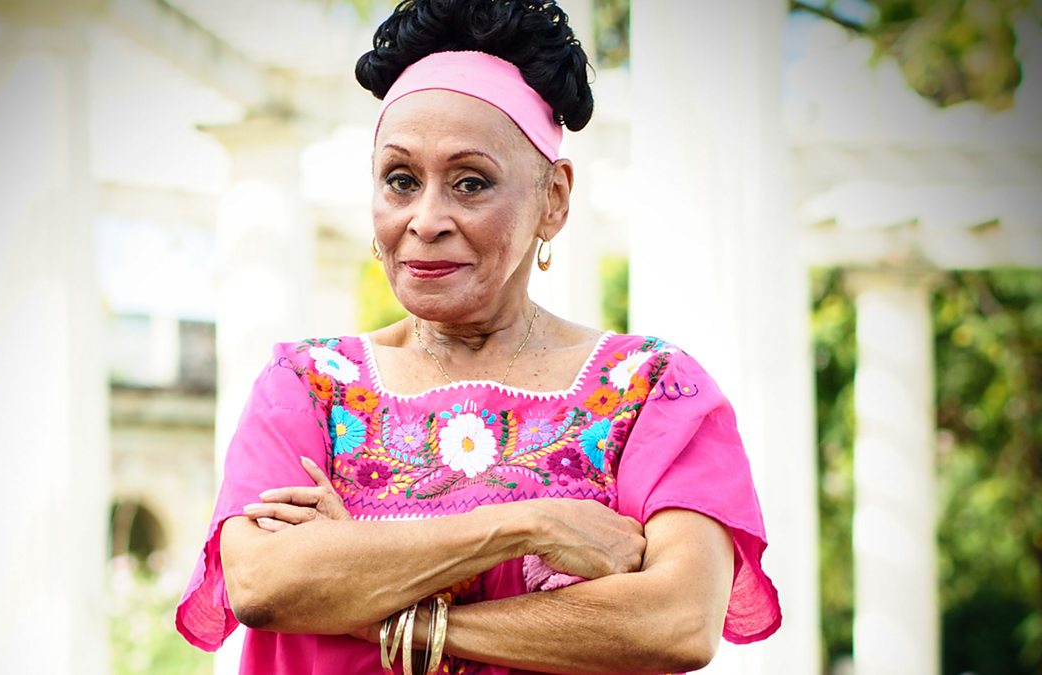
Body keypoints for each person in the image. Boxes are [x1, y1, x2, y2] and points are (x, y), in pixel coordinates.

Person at [176, 1, 781, 673]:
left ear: (554, 198)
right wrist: (528, 525)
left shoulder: (650, 391)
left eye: (470, 183)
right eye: (401, 181)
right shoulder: (307, 387)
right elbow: (263, 583)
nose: (426, 219)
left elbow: (676, 621)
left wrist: (372, 597)